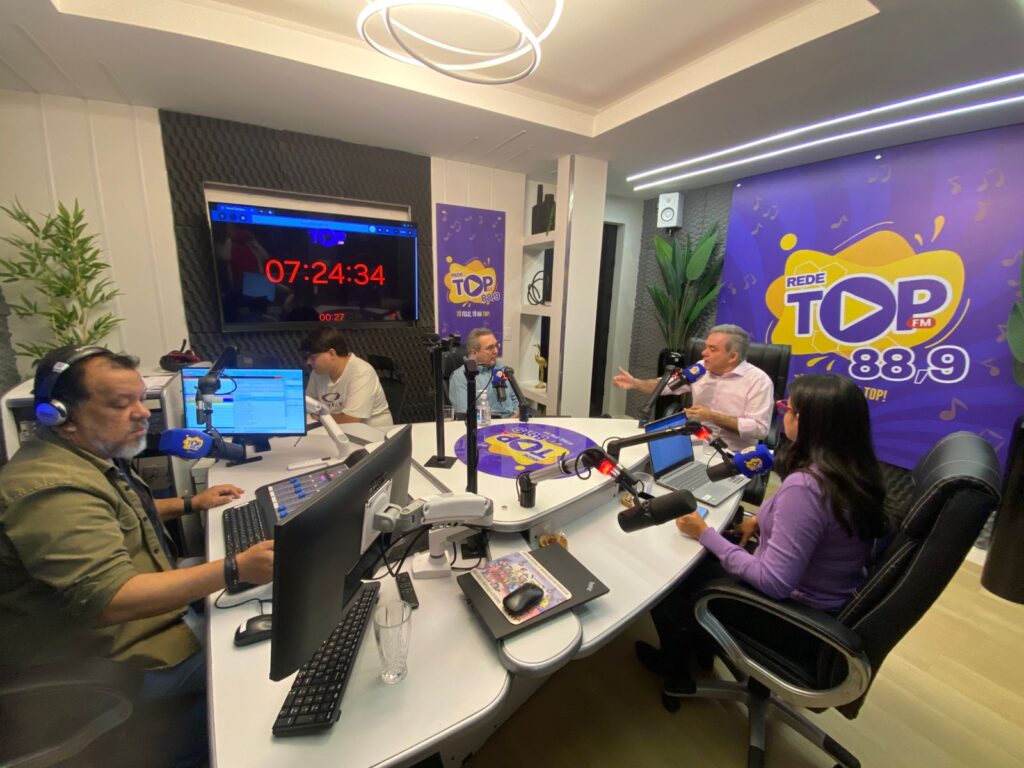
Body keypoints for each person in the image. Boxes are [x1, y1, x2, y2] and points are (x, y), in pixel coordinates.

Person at [0, 346, 275, 766]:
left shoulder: (81, 460)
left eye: (140, 399)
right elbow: (112, 599)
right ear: (60, 415)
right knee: (267, 658)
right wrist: (235, 568)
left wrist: (189, 503)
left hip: (143, 629)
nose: (142, 413)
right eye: (120, 403)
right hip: (115, 663)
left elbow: (114, 514)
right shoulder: (51, 489)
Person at [636, 373, 888, 695]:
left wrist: (705, 533)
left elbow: (773, 582)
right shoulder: (852, 470)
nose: (783, 413)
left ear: (809, 423)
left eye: (788, 408)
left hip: (792, 619)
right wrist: (760, 520)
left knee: (672, 576)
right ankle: (701, 646)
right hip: (829, 602)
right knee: (707, 557)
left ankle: (674, 668)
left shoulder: (807, 488)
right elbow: (815, 525)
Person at [612, 324, 773, 450]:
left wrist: (713, 416)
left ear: (732, 357)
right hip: (693, 445)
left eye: (712, 349)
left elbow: (760, 430)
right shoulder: (701, 368)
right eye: (706, 346)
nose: (704, 353)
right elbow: (665, 386)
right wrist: (636, 383)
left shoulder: (759, 381)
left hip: (733, 454)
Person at [301, 327, 394, 429]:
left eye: (313, 357)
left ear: (331, 353)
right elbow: (308, 406)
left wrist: (319, 417)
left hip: (373, 433)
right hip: (335, 429)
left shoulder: (361, 372)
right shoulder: (318, 372)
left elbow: (351, 419)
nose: (308, 362)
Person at [448, 327, 519, 419]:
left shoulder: (502, 369)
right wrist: (504, 423)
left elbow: (516, 399)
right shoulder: (460, 377)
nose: (496, 351)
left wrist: (517, 414)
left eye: (496, 346)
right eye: (490, 348)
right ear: (474, 353)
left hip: (514, 423)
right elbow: (465, 415)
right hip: (487, 425)